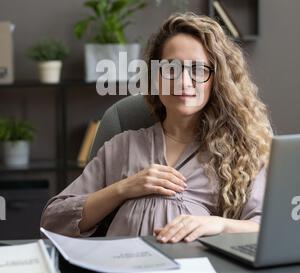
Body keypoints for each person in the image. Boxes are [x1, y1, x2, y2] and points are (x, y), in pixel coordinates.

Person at [40, 13, 272, 243]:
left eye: (199, 69)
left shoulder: (242, 153)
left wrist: (217, 223)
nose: (184, 81)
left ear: (217, 80)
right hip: (121, 271)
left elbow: (268, 227)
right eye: (171, 68)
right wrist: (124, 188)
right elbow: (53, 220)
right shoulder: (123, 146)